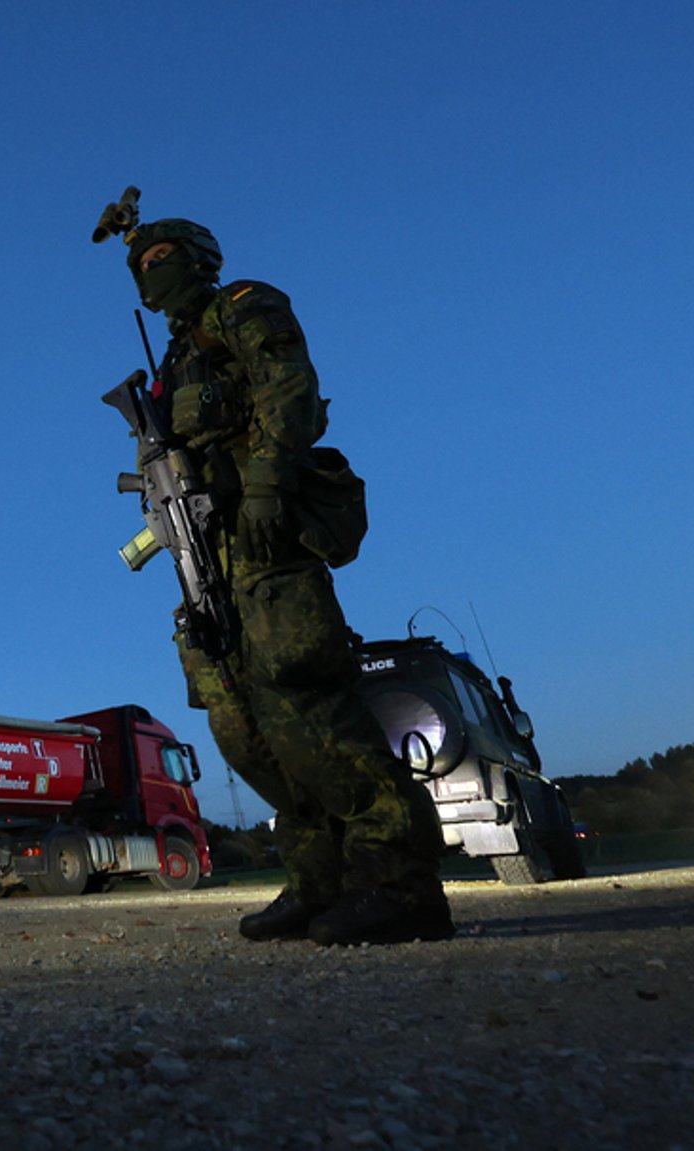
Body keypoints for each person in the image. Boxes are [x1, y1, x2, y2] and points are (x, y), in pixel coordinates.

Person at [92, 198, 452, 946]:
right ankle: (321, 882)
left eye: (162, 258)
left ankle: (400, 883)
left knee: (310, 708)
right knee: (246, 730)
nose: (152, 274)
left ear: (200, 258)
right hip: (210, 559)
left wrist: (263, 483)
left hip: (265, 540)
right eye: (141, 267)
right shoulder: (173, 362)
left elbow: (288, 390)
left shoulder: (243, 308)